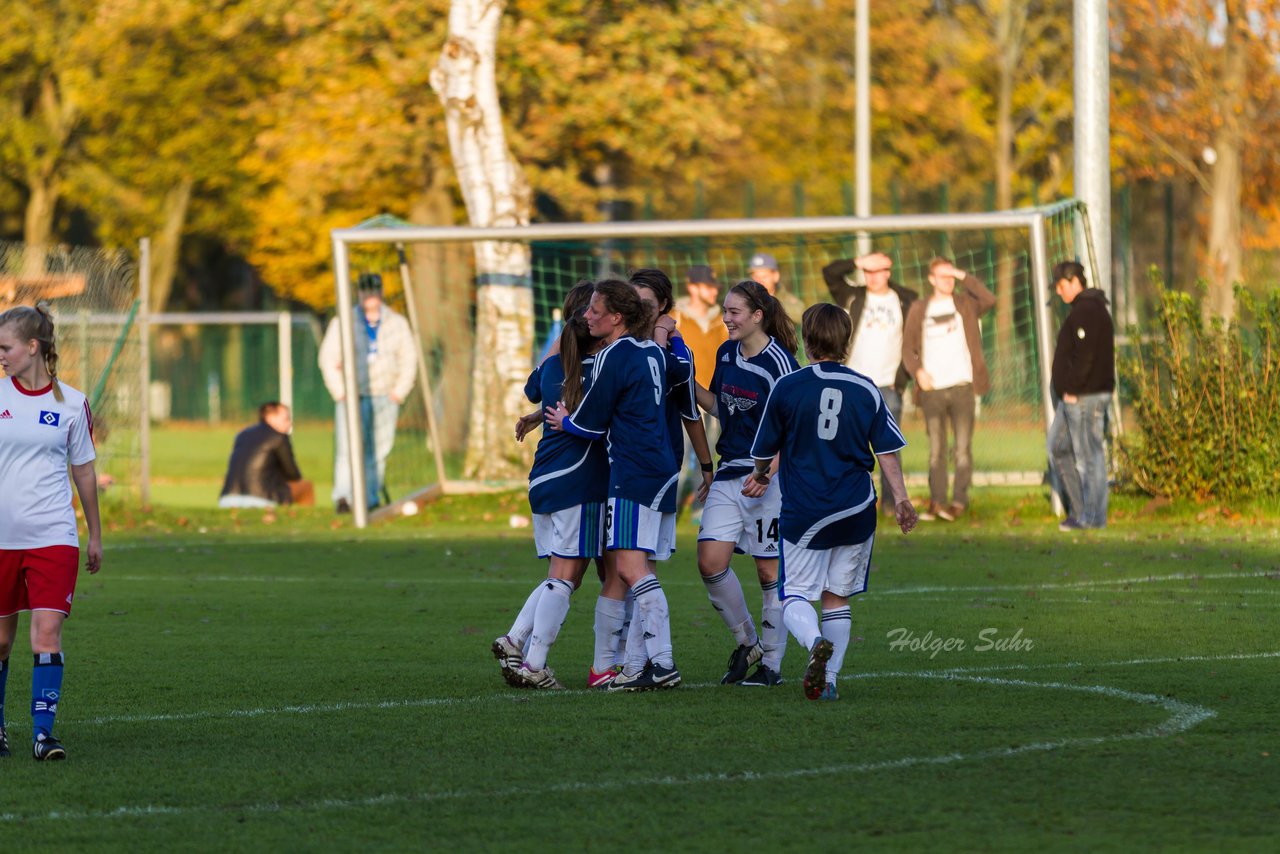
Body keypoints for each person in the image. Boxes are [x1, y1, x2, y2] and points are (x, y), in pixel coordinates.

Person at [750, 303, 917, 701]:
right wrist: (904, 500)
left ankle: (814, 646)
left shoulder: (788, 387)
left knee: (792, 595)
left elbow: (764, 450)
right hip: (857, 508)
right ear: (847, 342)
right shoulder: (866, 388)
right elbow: (888, 452)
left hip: (806, 510)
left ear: (807, 341)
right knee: (836, 596)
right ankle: (829, 682)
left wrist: (760, 473)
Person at [545, 279, 686, 691]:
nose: (586, 316)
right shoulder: (651, 351)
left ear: (616, 317)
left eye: (594, 310)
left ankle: (662, 662)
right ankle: (640, 666)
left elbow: (591, 422)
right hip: (661, 466)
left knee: (628, 567)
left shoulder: (615, 355)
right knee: (636, 568)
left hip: (633, 472)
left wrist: (561, 422)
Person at [492, 283, 617, 689]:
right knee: (564, 576)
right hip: (577, 481)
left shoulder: (550, 367)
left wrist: (534, 413)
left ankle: (514, 639)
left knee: (563, 574)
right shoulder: (599, 371)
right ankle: (534, 663)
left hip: (543, 478)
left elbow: (535, 389)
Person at [0, 304, 102, 761]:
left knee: (46, 634)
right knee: (1, 640)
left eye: (6, 347)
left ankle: (44, 734)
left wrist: (95, 533)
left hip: (53, 536)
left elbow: (83, 471)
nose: (1, 356)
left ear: (33, 347)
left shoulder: (71, 403)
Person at [693, 279, 800, 688]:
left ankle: (771, 666)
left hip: (768, 480)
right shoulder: (725, 352)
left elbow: (792, 430)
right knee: (710, 561)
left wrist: (766, 472)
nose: (726, 319)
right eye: (725, 310)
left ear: (758, 315)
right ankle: (749, 641)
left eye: (734, 312)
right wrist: (686, 382)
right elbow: (722, 407)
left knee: (767, 570)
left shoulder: (781, 364)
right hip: (730, 472)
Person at [821, 251, 919, 514]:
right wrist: (858, 261)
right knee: (844, 444)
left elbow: (914, 342)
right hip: (853, 384)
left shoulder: (905, 299)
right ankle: (845, 502)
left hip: (888, 386)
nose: (872, 276)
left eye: (878, 271)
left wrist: (901, 381)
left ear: (888, 272)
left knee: (888, 447)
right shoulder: (852, 295)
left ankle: (891, 504)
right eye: (868, 271)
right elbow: (829, 272)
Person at [901, 258, 996, 521]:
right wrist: (918, 371)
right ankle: (937, 502)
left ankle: (959, 502)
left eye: (950, 276)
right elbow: (908, 348)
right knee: (936, 450)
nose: (947, 280)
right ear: (931, 279)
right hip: (932, 390)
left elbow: (990, 299)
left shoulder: (966, 303)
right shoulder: (920, 308)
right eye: (942, 276)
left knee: (963, 448)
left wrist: (961, 274)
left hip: (962, 386)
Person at [319, 273, 417, 513]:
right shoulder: (343, 322)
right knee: (347, 448)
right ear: (359, 292)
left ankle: (369, 498)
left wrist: (399, 391)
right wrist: (340, 391)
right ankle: (343, 498)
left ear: (381, 292)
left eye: (374, 290)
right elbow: (328, 357)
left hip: (385, 395)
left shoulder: (397, 322)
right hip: (353, 396)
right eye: (365, 290)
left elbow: (409, 359)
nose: (369, 295)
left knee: (379, 450)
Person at [1047, 261, 1115, 531]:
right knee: (1057, 446)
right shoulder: (1084, 310)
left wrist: (1073, 389)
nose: (1060, 292)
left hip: (1084, 398)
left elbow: (1085, 356)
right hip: (1075, 397)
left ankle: (1094, 517)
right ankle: (1079, 510)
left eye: (1062, 286)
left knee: (1089, 456)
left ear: (1075, 281)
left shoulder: (1087, 311)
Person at [218, 402, 313, 509]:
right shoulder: (279, 437)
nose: (290, 423)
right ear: (270, 417)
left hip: (227, 498)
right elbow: (293, 475)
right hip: (262, 499)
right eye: (286, 419)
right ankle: (305, 521)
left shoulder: (242, 434)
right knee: (305, 487)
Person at [748, 252, 806, 322]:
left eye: (764, 276)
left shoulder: (787, 300)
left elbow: (800, 314)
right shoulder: (745, 298)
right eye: (756, 277)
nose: (760, 281)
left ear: (776, 276)